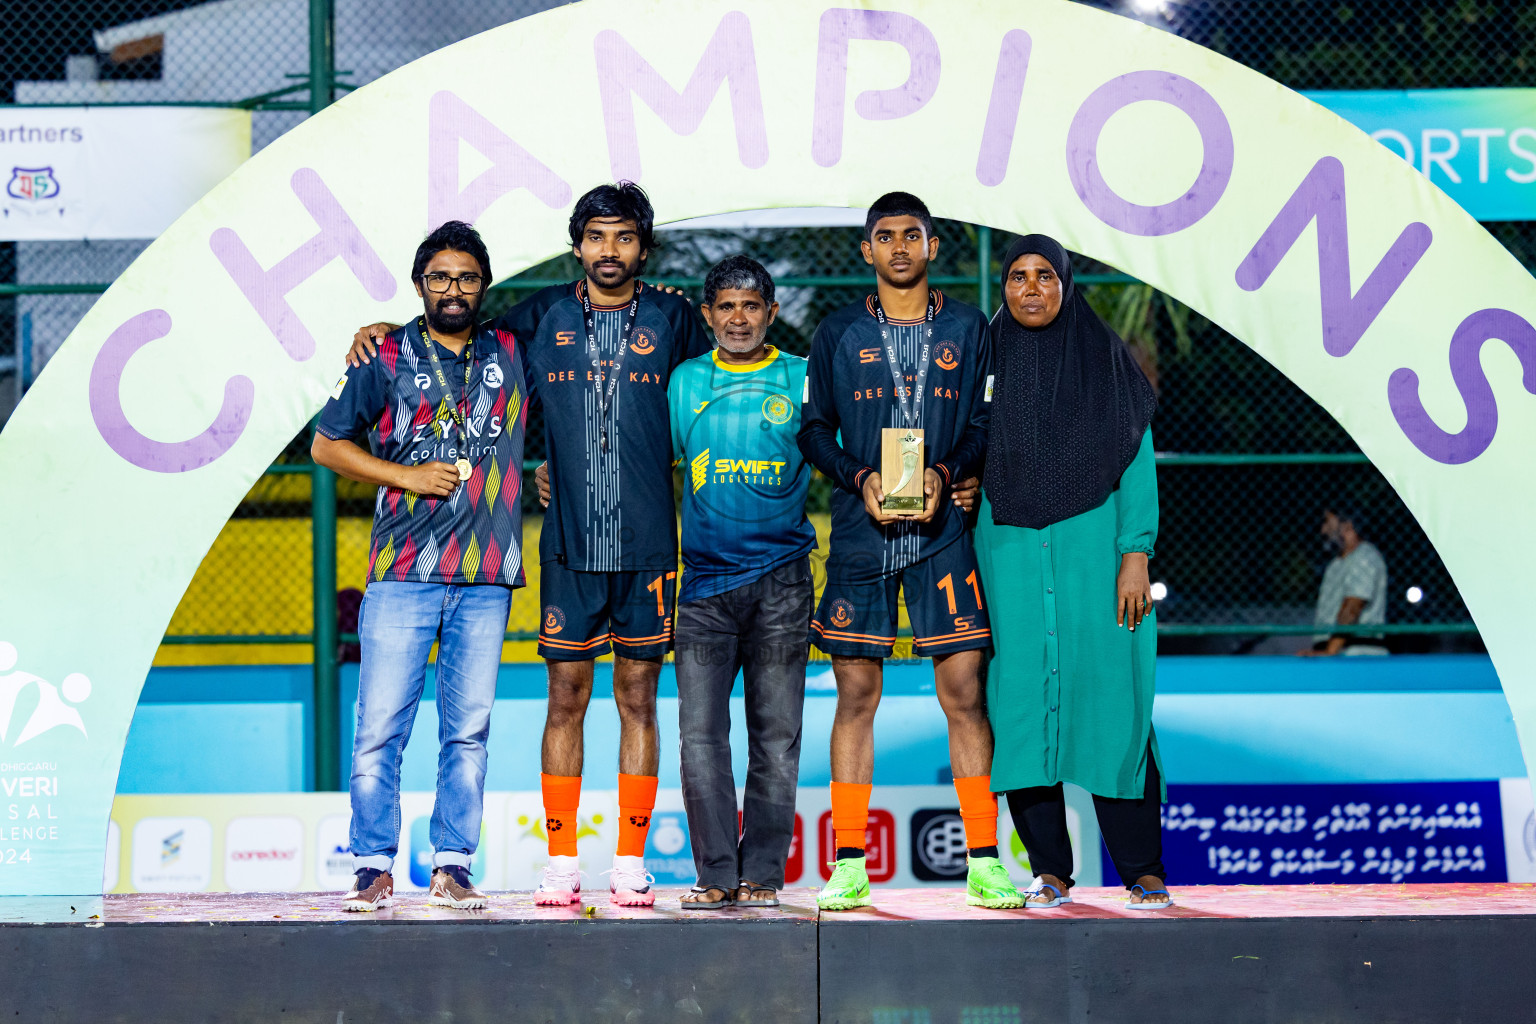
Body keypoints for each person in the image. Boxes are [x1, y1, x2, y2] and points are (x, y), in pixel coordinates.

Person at [348, 183, 711, 906]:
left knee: (638, 697)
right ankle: (561, 866)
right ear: (577, 244)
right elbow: (454, 335)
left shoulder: (676, 317)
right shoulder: (539, 316)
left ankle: (631, 864)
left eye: (625, 238)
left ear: (644, 246)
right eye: (597, 237)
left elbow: (719, 384)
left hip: (648, 546)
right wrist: (387, 330)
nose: (610, 251)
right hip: (568, 546)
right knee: (565, 697)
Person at [798, 192, 1022, 911]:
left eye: (912, 235)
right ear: (867, 251)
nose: (899, 247)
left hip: (943, 532)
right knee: (856, 696)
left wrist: (949, 473)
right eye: (885, 236)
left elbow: (988, 420)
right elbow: (813, 431)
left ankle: (985, 862)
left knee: (964, 694)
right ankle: (851, 864)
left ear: (933, 247)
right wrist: (861, 477)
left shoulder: (968, 328)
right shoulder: (835, 332)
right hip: (863, 533)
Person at [314, 220, 526, 912]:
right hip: (403, 570)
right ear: (418, 286)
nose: (453, 289)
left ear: (484, 285)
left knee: (467, 731)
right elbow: (326, 446)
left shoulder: (511, 347)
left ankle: (453, 866)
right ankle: (372, 864)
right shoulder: (385, 356)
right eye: (440, 278)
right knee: (381, 726)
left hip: (486, 574)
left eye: (466, 277)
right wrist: (401, 477)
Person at [974, 234, 1172, 910]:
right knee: (1023, 710)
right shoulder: (984, 363)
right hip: (1009, 560)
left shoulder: (1106, 365)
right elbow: (959, 442)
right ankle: (1050, 871)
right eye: (1018, 277)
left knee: (1114, 704)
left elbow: (1136, 460)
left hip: (1098, 563)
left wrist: (1135, 552)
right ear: (1003, 287)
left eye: (1045, 276)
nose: (1031, 288)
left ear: (1066, 284)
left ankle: (1143, 869)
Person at [669, 256, 815, 910]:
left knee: (776, 739)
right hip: (702, 589)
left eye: (750, 307)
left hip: (783, 584)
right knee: (700, 737)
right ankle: (714, 875)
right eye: (725, 307)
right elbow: (658, 462)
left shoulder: (803, 379)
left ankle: (763, 875)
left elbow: (847, 451)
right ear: (707, 316)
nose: (738, 318)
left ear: (772, 313)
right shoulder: (683, 384)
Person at [1303, 505, 1388, 656]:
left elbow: (1352, 607)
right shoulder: (1336, 563)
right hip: (1338, 649)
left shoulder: (1364, 557)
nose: (1323, 530)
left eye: (1328, 522)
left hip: (1356, 651)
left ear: (1347, 526)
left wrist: (1330, 651)